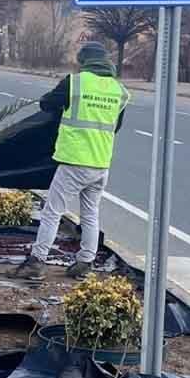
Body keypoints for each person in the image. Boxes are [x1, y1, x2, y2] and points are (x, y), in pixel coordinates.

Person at [14, 41, 129, 281]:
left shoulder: (75, 82)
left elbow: (46, 103)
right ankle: (85, 262)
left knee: (52, 211)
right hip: (101, 164)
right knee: (90, 214)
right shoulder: (119, 90)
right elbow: (115, 127)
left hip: (75, 161)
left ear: (83, 61)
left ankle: (37, 261)